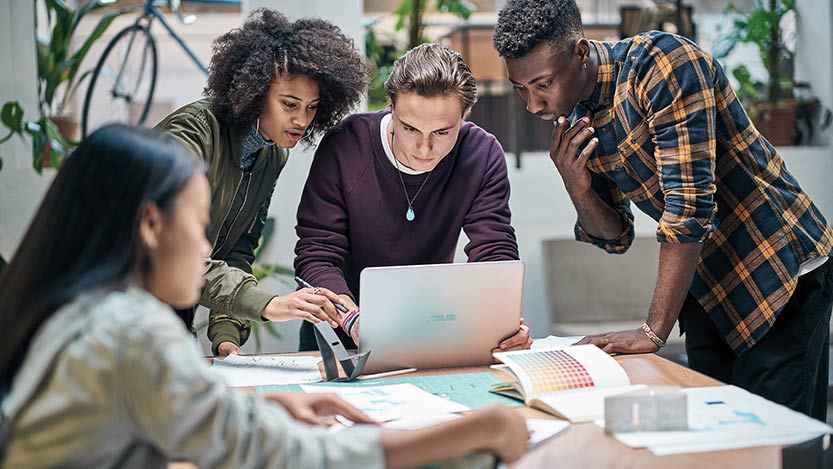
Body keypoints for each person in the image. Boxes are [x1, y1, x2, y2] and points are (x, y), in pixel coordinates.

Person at [0, 125, 530, 468]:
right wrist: (480, 431)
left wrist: (268, 403)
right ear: (150, 224)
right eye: (200, 222)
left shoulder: (80, 310)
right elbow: (283, 456)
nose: (208, 244)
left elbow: (160, 409)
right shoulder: (132, 329)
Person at [492, 0, 833, 420]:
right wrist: (576, 185)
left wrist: (654, 330)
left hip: (776, 269)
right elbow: (614, 237)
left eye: (542, 84)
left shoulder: (662, 65)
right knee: (719, 436)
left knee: (781, 442)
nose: (533, 104)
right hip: (707, 285)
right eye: (520, 88)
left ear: (580, 52)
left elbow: (689, 208)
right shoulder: (578, 117)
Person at [294, 43, 532, 353]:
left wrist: (501, 319)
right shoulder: (345, 145)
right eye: (409, 128)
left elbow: (494, 250)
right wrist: (352, 319)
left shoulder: (482, 154)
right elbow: (316, 253)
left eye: (443, 132)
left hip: (431, 332)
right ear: (391, 105)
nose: (424, 148)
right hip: (340, 333)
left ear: (465, 115)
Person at [156, 8, 367, 356]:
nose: (301, 120)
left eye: (312, 108)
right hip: (124, 304)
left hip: (177, 306)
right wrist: (269, 304)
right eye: (289, 104)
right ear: (254, 91)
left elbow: (237, 250)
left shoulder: (271, 155)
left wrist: (226, 337)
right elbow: (168, 245)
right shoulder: (193, 133)